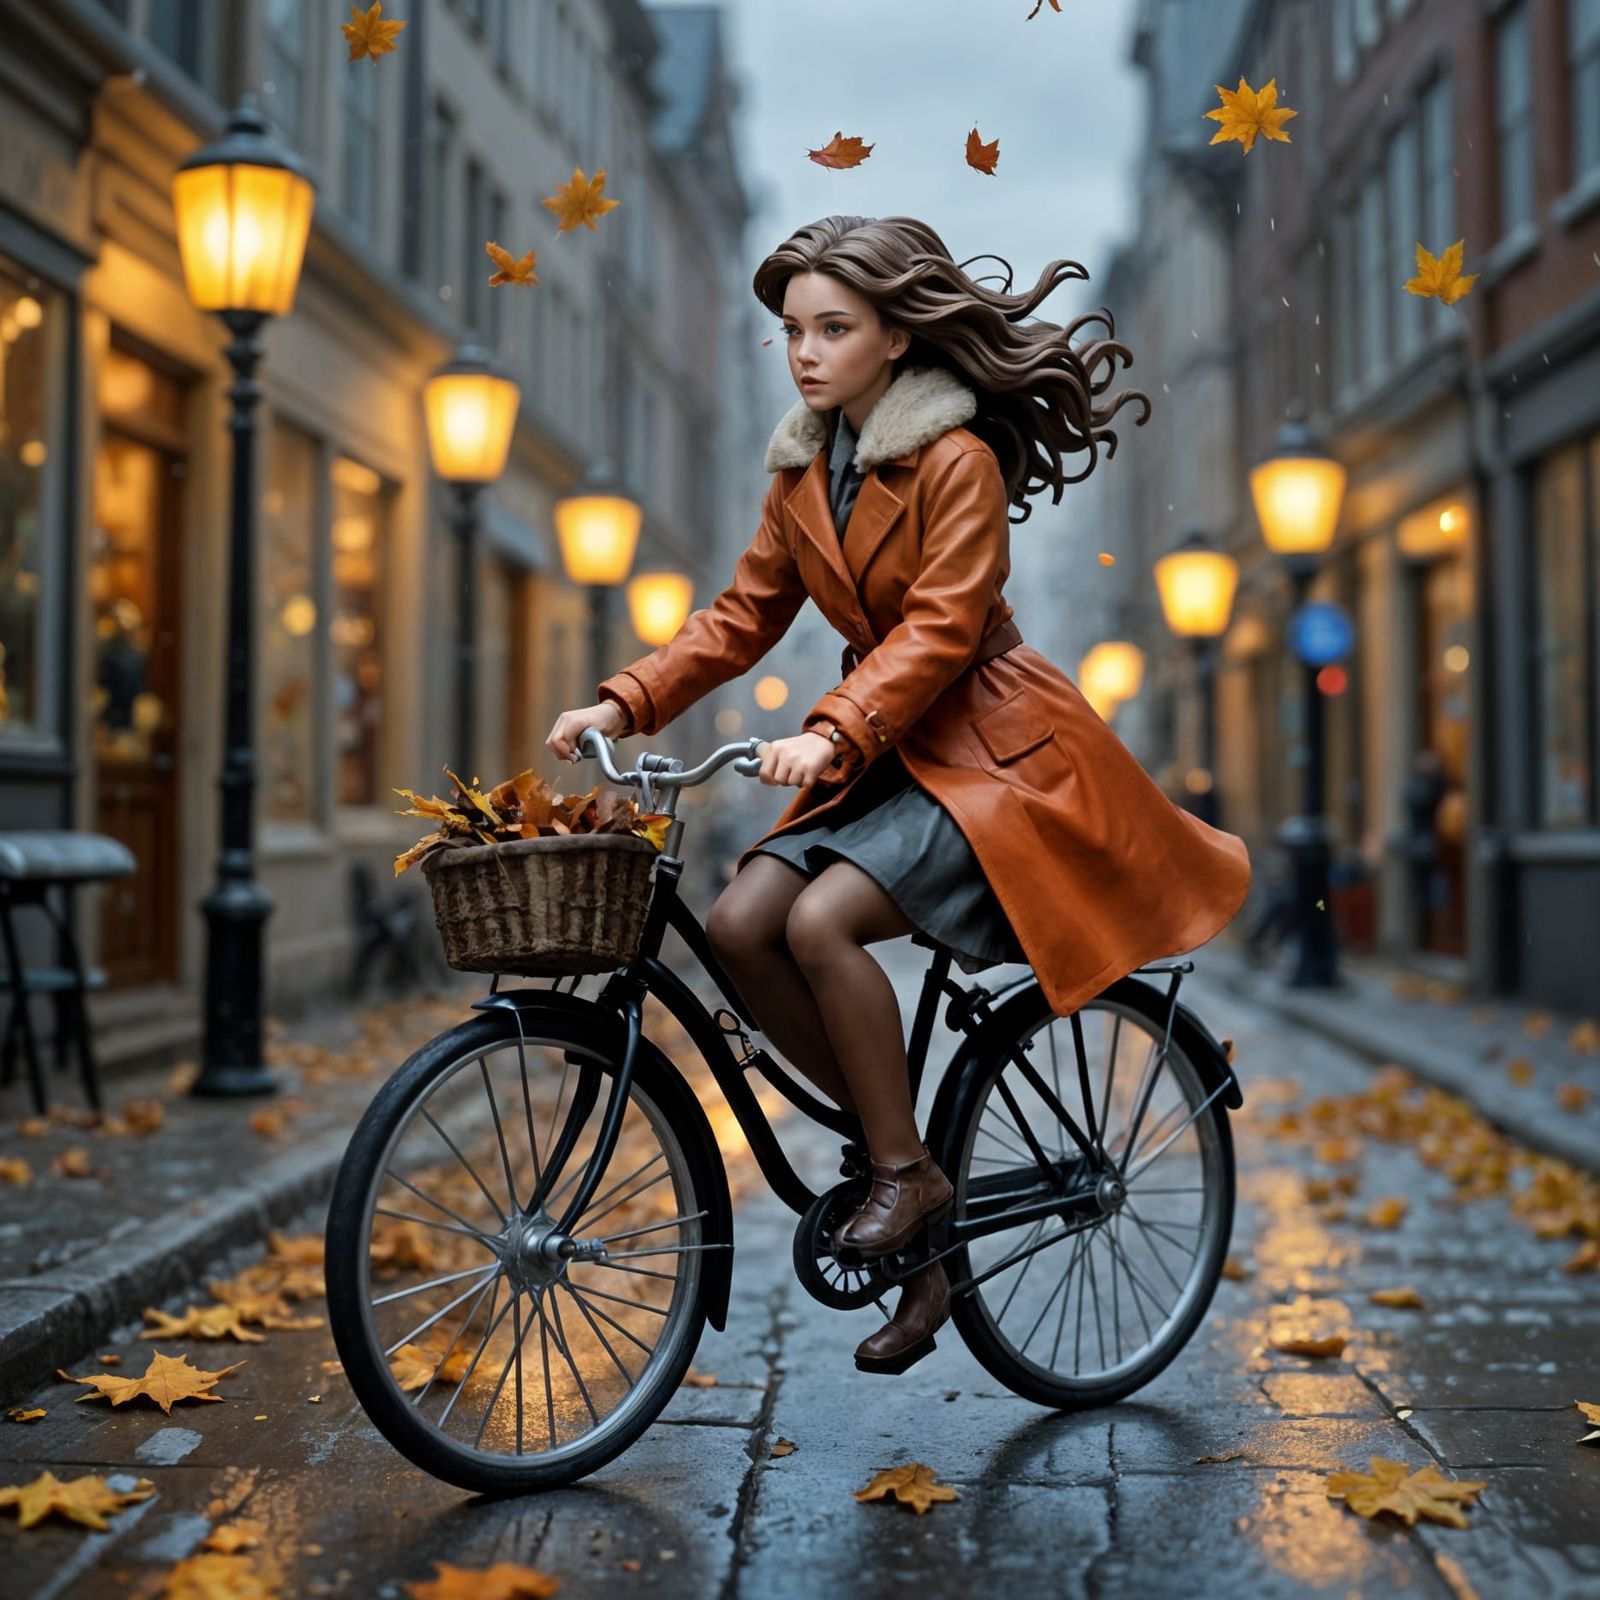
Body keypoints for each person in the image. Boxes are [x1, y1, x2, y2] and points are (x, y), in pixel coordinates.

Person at [547, 214, 1253, 1376]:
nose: (807, 353)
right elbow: (739, 618)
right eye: (792, 332)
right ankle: (902, 1156)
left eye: (834, 328)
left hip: (991, 750)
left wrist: (830, 728)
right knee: (735, 923)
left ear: (893, 338)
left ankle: (908, 1173)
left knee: (819, 922)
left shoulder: (955, 459)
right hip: (882, 747)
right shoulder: (800, 473)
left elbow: (942, 629)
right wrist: (623, 701)